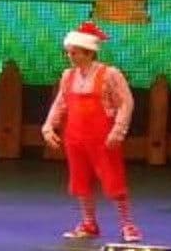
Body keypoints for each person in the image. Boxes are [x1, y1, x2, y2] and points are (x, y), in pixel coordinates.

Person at [41, 21, 142, 243]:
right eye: (69, 52)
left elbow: (126, 102)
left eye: (74, 52)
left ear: (88, 52)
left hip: (102, 135)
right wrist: (48, 126)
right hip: (75, 136)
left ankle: (128, 224)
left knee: (113, 179)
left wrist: (118, 130)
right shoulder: (68, 76)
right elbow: (60, 103)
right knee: (80, 180)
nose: (70, 57)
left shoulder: (109, 74)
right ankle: (89, 223)